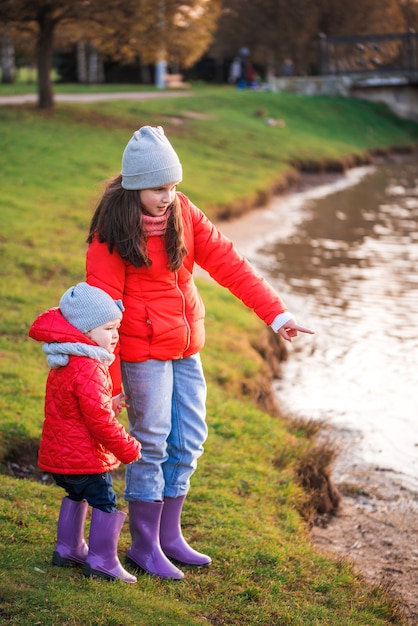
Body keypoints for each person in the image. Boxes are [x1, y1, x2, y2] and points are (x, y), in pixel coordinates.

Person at [85, 126, 314, 580]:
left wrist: (277, 315)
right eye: (158, 189)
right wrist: (108, 385)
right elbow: (100, 315)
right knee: (150, 441)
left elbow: (229, 263)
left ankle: (170, 536)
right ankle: (144, 546)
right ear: (134, 186)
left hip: (185, 347)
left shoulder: (183, 212)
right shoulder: (111, 231)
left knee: (189, 438)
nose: (168, 196)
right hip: (140, 350)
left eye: (173, 186)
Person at [28, 282, 141, 584]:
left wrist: (109, 401)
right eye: (107, 328)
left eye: (117, 327)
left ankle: (69, 549)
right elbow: (99, 421)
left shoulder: (67, 360)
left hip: (61, 457)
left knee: (75, 495)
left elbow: (75, 405)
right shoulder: (90, 367)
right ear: (85, 332)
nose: (115, 335)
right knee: (104, 501)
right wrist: (127, 447)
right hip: (85, 458)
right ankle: (103, 561)